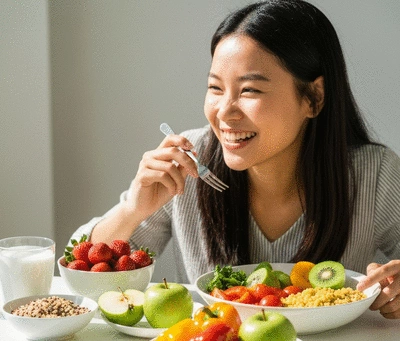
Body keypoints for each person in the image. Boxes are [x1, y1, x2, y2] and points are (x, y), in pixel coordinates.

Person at [70, 0, 400, 319]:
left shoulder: (374, 172)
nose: (225, 112)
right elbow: (79, 266)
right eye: (215, 88)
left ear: (313, 98)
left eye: (249, 91)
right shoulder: (187, 162)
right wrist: (133, 210)